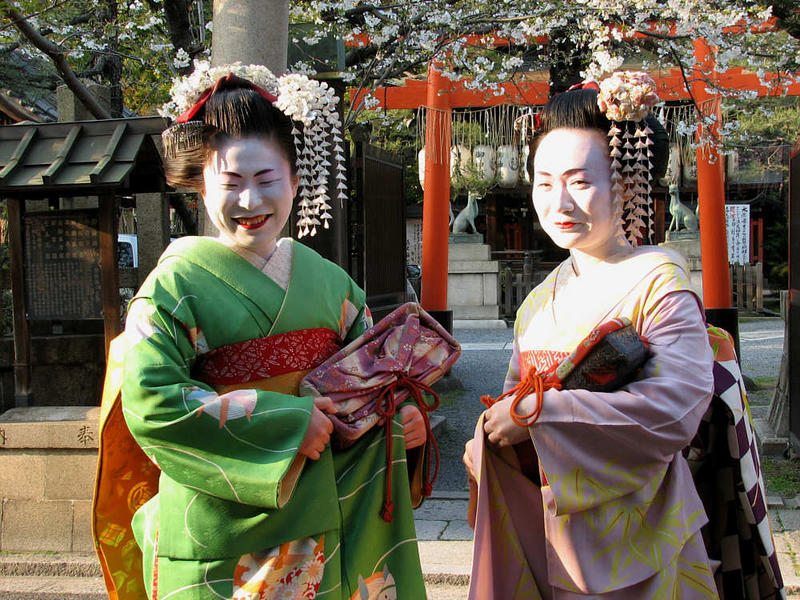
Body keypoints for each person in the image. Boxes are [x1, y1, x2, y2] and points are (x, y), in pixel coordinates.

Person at [92, 63, 430, 600]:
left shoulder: (331, 285)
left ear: (296, 181)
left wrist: (404, 419)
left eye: (266, 180)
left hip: (330, 515)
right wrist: (288, 421)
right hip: (219, 526)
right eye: (230, 183)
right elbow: (151, 401)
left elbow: (374, 381)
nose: (250, 202)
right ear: (200, 188)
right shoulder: (172, 286)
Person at [464, 72, 722, 599]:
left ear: (626, 182)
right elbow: (516, 401)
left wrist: (540, 414)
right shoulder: (541, 298)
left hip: (641, 530)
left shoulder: (659, 282)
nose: (559, 203)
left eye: (580, 182)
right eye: (543, 182)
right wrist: (488, 435)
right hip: (550, 524)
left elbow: (676, 407)